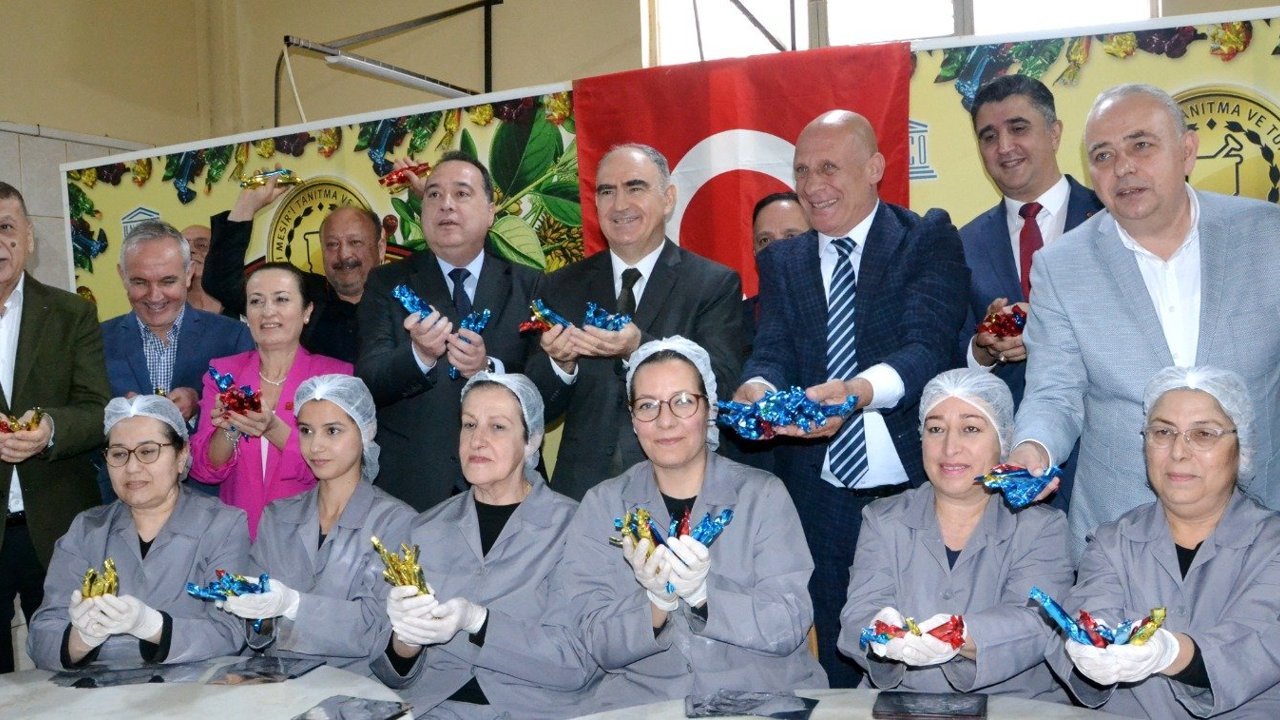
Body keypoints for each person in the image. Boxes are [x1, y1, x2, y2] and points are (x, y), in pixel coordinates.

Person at [735, 110, 970, 687]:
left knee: (922, 653)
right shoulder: (783, 260)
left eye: (829, 168)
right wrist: (758, 390)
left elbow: (928, 347)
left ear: (874, 168)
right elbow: (773, 350)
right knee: (834, 659)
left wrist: (856, 394)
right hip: (817, 493)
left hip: (914, 487)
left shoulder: (925, 239)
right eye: (802, 170)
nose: (813, 185)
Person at [1006, 83, 1280, 558]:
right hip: (1122, 536)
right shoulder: (1061, 267)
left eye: (1141, 145)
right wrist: (1034, 449)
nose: (1123, 167)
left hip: (1259, 524)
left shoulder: (1267, 236)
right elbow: (1054, 392)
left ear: (1187, 150)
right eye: (1103, 155)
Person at [560, 337, 826, 712]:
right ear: (633, 420)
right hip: (645, 703)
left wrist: (704, 596)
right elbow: (590, 640)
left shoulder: (762, 496)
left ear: (709, 408)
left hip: (761, 696)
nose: (665, 420)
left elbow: (789, 622)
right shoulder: (603, 505)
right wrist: (655, 605)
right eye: (647, 405)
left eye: (683, 401)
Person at [1048, 366, 1280, 718]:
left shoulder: (1272, 545)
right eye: (1163, 432)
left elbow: (1257, 641)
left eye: (1203, 434)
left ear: (1241, 448)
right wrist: (1090, 650)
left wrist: (1171, 652)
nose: (1178, 452)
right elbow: (1093, 611)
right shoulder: (1112, 542)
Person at [839, 368, 1071, 700]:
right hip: (899, 703)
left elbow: (1036, 624)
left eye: (970, 429)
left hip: (1012, 705)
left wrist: (958, 636)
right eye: (936, 429)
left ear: (1004, 440)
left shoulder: (1040, 527)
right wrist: (881, 635)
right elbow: (858, 614)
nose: (950, 448)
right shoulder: (883, 518)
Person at [528, 144, 744, 501]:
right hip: (582, 492)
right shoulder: (561, 286)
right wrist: (560, 366)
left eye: (635, 188)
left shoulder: (711, 284)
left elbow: (720, 385)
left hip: (679, 489)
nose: (620, 205)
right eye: (606, 192)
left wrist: (638, 348)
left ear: (668, 199)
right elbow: (535, 410)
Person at [373, 372, 588, 718]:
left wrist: (480, 623)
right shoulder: (425, 528)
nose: (478, 440)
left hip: (528, 709)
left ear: (532, 440)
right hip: (432, 708)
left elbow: (575, 663)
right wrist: (406, 640)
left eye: (497, 427)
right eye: (469, 425)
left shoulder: (573, 528)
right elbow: (389, 673)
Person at [358, 152, 547, 511]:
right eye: (433, 194)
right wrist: (419, 356)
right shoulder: (386, 283)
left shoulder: (530, 285)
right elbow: (369, 380)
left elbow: (545, 390)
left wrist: (487, 369)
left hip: (508, 488)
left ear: (491, 212)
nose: (446, 204)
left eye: (461, 193)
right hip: (412, 491)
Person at [959, 75, 1103, 512]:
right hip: (1008, 470)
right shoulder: (964, 243)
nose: (1004, 146)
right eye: (989, 136)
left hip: (1106, 458)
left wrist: (1045, 328)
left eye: (1018, 128)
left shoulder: (1111, 220)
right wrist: (984, 349)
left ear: (1055, 133)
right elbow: (948, 358)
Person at [26, 395, 250, 670]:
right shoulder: (87, 529)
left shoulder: (223, 525)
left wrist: (153, 626)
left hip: (194, 688)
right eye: (119, 454)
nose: (132, 468)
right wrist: (81, 639)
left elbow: (231, 630)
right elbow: (41, 635)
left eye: (147, 451)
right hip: (101, 690)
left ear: (181, 456)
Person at [220, 374, 416, 674]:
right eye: (306, 431)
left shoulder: (395, 522)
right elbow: (256, 631)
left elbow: (377, 628)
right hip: (278, 682)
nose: (316, 446)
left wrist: (294, 605)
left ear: (366, 431)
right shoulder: (277, 516)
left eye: (333, 431)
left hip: (356, 686)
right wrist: (248, 610)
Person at [0, 182, 111, 673]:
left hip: (58, 525)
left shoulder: (72, 313)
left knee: (73, 667)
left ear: (29, 236)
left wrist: (50, 428)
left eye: (6, 227)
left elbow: (98, 410)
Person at [190, 263, 353, 537]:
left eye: (281, 299)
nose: (268, 312)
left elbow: (336, 465)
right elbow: (206, 469)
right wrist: (230, 427)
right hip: (236, 538)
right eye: (256, 301)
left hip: (309, 536)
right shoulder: (223, 373)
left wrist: (271, 427)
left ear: (307, 311)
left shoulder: (335, 376)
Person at [101, 221, 254, 500]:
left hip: (210, 506)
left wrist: (199, 404)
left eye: (167, 281)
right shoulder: (96, 341)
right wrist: (117, 416)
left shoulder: (232, 337)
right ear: (122, 275)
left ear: (189, 273)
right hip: (123, 506)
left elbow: (250, 427)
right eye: (140, 282)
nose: (155, 295)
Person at [202, 177, 384, 363]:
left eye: (355, 242)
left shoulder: (398, 295)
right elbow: (221, 281)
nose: (344, 254)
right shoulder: (300, 291)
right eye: (332, 244)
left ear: (381, 247)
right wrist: (246, 206)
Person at [744, 191, 810, 358]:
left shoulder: (840, 311)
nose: (776, 249)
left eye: (790, 237)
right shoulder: (734, 319)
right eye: (765, 240)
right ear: (754, 252)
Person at [181, 224, 224, 315]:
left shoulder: (242, 300)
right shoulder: (166, 306)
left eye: (202, 245)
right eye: (184, 247)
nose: (191, 250)